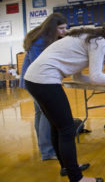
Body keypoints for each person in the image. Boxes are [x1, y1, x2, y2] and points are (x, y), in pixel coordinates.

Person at [24, 23, 105, 182]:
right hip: (45, 79)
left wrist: (102, 81)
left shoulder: (88, 37)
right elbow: (96, 77)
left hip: (34, 79)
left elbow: (79, 77)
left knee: (58, 127)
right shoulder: (100, 42)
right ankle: (76, 178)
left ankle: (67, 167)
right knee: (67, 129)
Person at [19, 13, 68, 161]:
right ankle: (47, 151)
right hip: (35, 81)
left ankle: (45, 148)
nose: (64, 31)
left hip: (35, 80)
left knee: (40, 114)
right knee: (46, 115)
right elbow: (38, 65)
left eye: (65, 28)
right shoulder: (39, 40)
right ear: (52, 28)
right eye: (61, 28)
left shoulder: (45, 37)